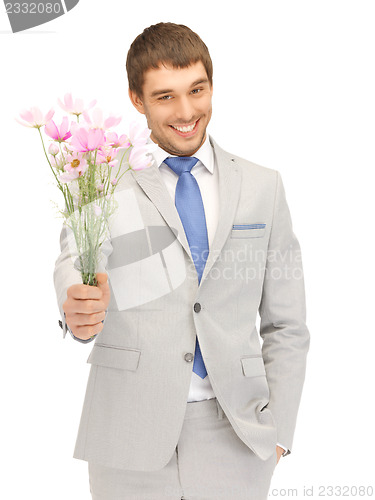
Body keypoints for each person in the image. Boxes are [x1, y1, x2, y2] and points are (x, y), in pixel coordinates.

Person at [54, 22, 310, 500]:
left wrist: (277, 433)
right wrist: (76, 306)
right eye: (165, 96)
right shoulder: (104, 182)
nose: (187, 111)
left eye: (197, 90)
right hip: (126, 435)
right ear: (137, 99)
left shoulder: (262, 186)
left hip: (236, 433)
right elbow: (76, 258)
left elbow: (287, 324)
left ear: (211, 85)